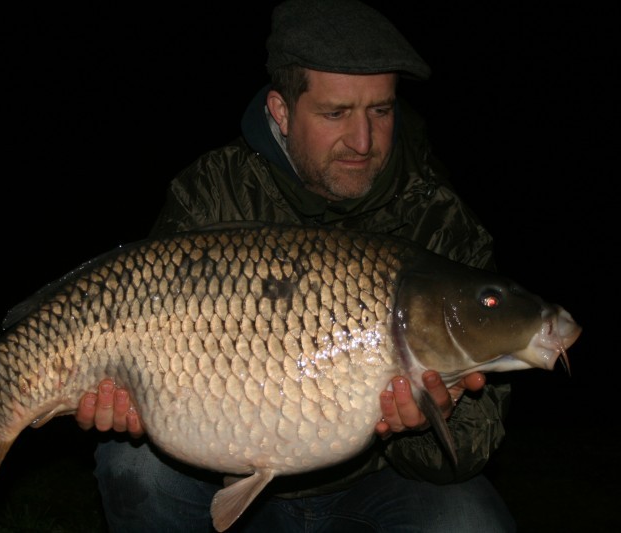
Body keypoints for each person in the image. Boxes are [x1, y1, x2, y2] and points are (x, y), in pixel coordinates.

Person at [75, 1, 515, 531]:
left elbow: (475, 441)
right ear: (281, 112)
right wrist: (127, 402)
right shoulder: (213, 193)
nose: (363, 141)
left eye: (381, 110)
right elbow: (143, 333)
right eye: (336, 114)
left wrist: (431, 422)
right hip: (214, 467)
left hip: (372, 484)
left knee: (471, 520)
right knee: (132, 468)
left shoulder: (438, 222)